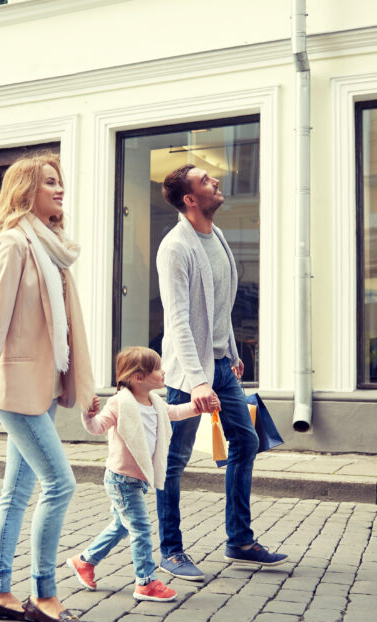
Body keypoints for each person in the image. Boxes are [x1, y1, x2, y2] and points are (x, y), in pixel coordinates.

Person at [0, 153, 94, 622]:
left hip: (40, 383)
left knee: (16, 493)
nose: (60, 190)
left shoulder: (51, 246)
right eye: (50, 183)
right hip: (12, 386)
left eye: (61, 182)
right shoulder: (14, 244)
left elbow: (61, 326)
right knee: (61, 484)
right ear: (25, 190)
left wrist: (80, 381)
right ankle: (45, 594)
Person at [154, 164, 288, 582]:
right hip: (186, 373)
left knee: (245, 441)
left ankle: (239, 541)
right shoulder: (175, 247)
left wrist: (230, 351)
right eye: (206, 181)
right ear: (190, 199)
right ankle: (170, 551)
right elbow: (177, 320)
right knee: (173, 461)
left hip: (221, 365)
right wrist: (196, 380)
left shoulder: (218, 237)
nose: (216, 182)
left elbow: (220, 304)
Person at [66, 347, 218, 601]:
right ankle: (145, 581)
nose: (163, 372)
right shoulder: (119, 403)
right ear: (138, 377)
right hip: (121, 479)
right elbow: (97, 427)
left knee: (121, 526)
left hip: (136, 479)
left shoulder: (155, 402)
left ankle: (84, 561)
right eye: (157, 369)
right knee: (140, 527)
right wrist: (88, 414)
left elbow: (175, 413)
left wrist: (198, 407)